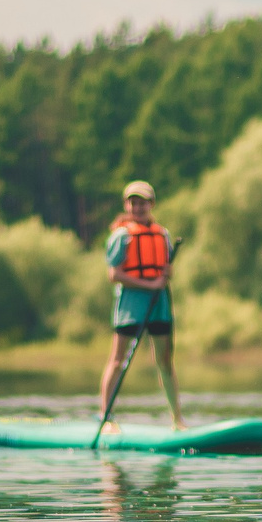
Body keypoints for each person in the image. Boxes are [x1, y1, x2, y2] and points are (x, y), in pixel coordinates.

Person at [99, 182, 185, 431]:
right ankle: (106, 418)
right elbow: (114, 275)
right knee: (117, 360)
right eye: (133, 203)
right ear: (127, 205)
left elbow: (164, 271)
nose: (138, 207)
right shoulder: (121, 236)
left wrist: (166, 275)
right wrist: (150, 285)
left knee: (166, 361)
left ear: (151, 204)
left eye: (142, 202)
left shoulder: (163, 234)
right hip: (131, 306)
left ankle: (177, 419)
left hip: (159, 305)